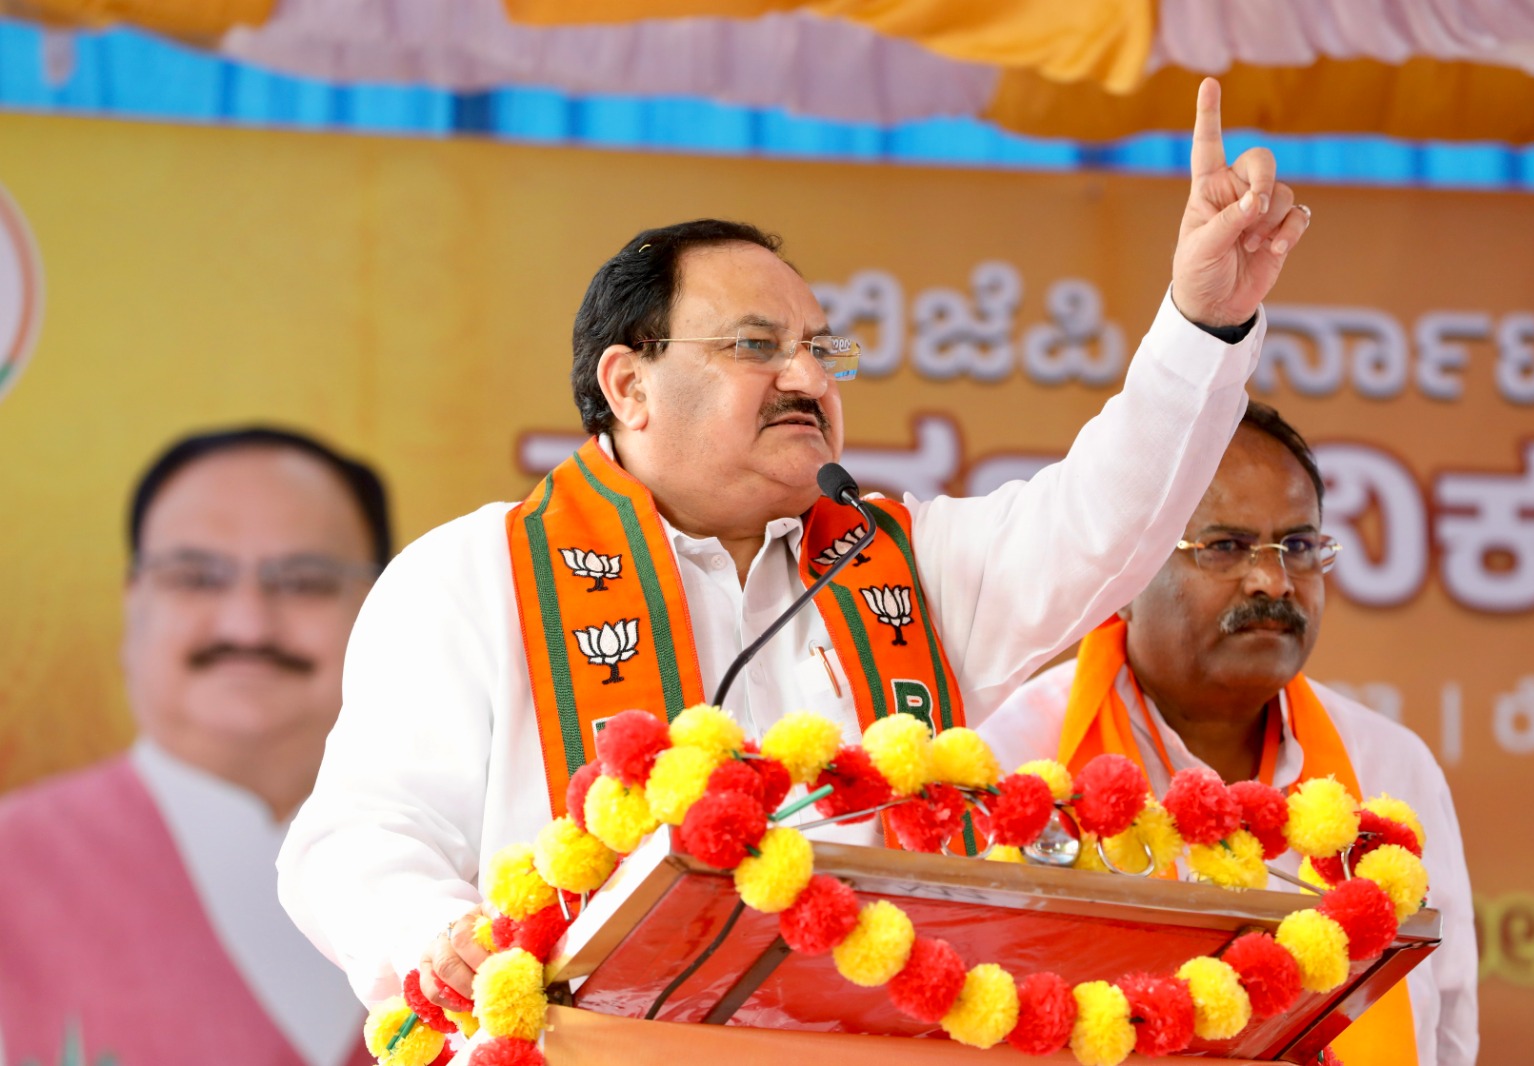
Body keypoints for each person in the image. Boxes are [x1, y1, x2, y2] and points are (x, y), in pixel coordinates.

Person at [278, 77, 1313, 1011]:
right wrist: (435, 935)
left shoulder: (901, 566)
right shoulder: (474, 577)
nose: (809, 379)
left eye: (821, 350)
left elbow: (1103, 520)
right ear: (628, 385)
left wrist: (1202, 324)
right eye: (755, 348)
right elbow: (357, 836)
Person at [978, 401, 1477, 1066]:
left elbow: (1446, 1036)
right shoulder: (1017, 764)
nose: (1273, 580)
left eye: (1298, 546)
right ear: (1122, 574)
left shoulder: (1391, 769)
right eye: (1226, 547)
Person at [0, 427, 391, 1066]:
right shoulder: (10, 869)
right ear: (134, 604)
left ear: (382, 608)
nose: (247, 624)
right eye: (195, 577)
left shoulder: (488, 866)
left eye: (304, 581)